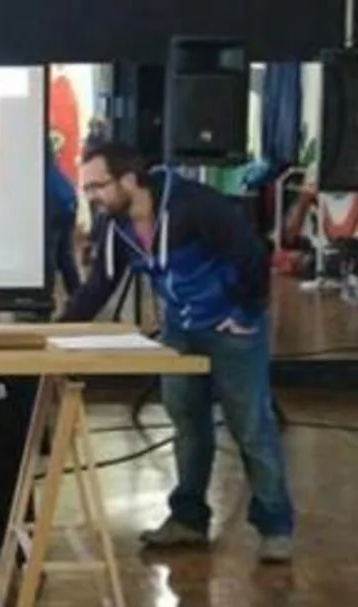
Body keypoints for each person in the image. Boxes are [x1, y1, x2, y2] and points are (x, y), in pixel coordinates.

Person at [59, 141, 295, 563]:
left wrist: (244, 313)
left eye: (97, 186)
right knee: (187, 421)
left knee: (250, 426)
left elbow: (253, 255)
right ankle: (188, 519)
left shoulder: (195, 205)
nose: (91, 197)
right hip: (181, 330)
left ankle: (275, 526)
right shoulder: (116, 226)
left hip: (232, 328)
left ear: (129, 179)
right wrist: (57, 334)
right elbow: (98, 287)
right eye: (87, 188)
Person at [46, 141, 81, 296]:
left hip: (54, 205)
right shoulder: (51, 165)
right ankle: (77, 294)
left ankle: (46, 296)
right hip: (67, 201)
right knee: (65, 255)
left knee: (49, 254)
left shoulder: (39, 162)